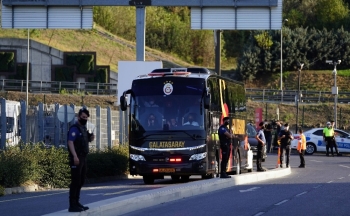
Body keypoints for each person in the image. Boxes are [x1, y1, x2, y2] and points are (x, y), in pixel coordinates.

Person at [67, 108, 95, 212]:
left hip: (83, 157)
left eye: (86, 118)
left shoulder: (83, 128)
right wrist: (75, 156)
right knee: (75, 181)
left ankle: (77, 202)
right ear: (78, 117)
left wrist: (90, 138)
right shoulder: (74, 128)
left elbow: (85, 140)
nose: (85, 119)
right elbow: (70, 142)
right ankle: (72, 204)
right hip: (77, 157)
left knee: (81, 180)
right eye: (83, 117)